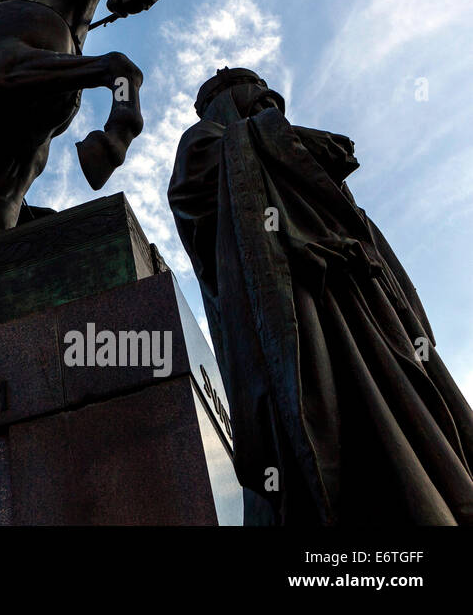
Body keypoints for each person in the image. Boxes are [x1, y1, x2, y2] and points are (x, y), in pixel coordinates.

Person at [168, 67, 473, 524]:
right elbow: (194, 189)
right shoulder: (206, 138)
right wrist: (283, 143)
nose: (270, 107)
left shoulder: (272, 138)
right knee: (329, 421)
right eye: (256, 99)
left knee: (412, 414)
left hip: (360, 299)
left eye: (272, 103)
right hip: (297, 306)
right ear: (226, 100)